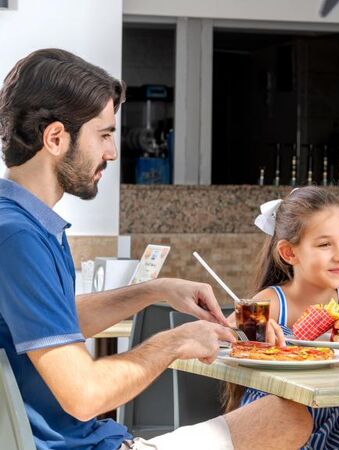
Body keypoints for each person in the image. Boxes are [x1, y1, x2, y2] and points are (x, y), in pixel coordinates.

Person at [0, 48, 311, 450]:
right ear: (56, 138)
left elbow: (51, 323)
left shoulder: (21, 223)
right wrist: (175, 342)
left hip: (94, 441)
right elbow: (84, 396)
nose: (112, 152)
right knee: (288, 417)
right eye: (104, 134)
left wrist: (155, 290)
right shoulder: (19, 238)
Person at [224, 186, 339, 450]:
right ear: (289, 253)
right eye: (325, 244)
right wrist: (250, 328)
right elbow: (223, 333)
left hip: (331, 431)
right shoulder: (273, 302)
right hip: (273, 428)